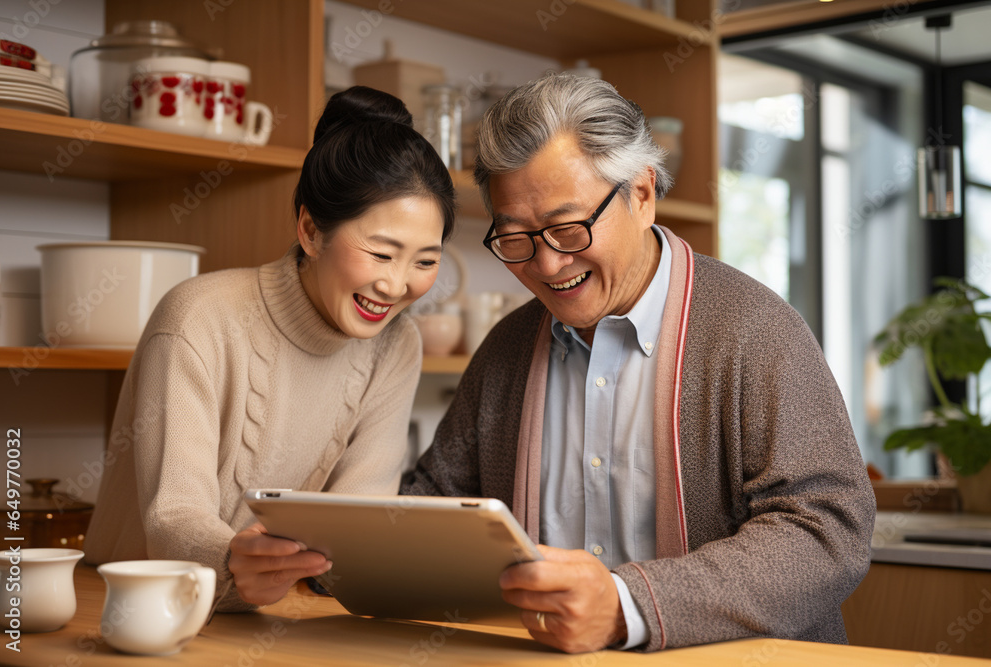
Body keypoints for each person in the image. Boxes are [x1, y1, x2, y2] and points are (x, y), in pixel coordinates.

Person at [232, 74, 875, 654]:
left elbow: (828, 529)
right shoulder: (510, 347)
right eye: (514, 239)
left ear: (643, 194)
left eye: (568, 230)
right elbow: (437, 502)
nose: (546, 265)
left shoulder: (753, 330)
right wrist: (328, 552)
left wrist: (628, 607)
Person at [84, 86, 456, 611]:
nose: (396, 287)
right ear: (310, 230)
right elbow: (173, 521)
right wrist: (236, 562)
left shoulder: (397, 344)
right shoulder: (197, 318)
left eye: (424, 261)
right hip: (132, 605)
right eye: (380, 253)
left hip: (278, 610)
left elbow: (358, 518)